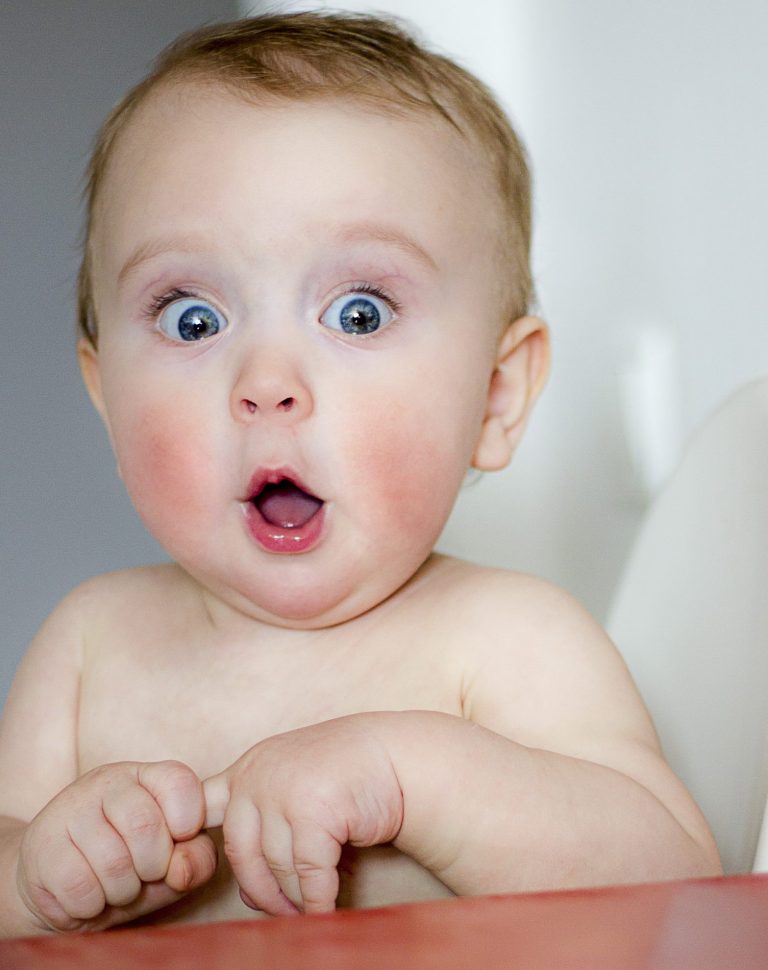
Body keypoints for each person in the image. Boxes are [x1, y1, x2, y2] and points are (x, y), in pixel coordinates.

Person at [0, 11, 720, 937]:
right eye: (193, 320)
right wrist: (31, 878)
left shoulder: (506, 641)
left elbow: (677, 882)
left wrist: (411, 775)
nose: (266, 385)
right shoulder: (89, 647)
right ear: (107, 396)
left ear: (496, 397)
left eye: (359, 314)